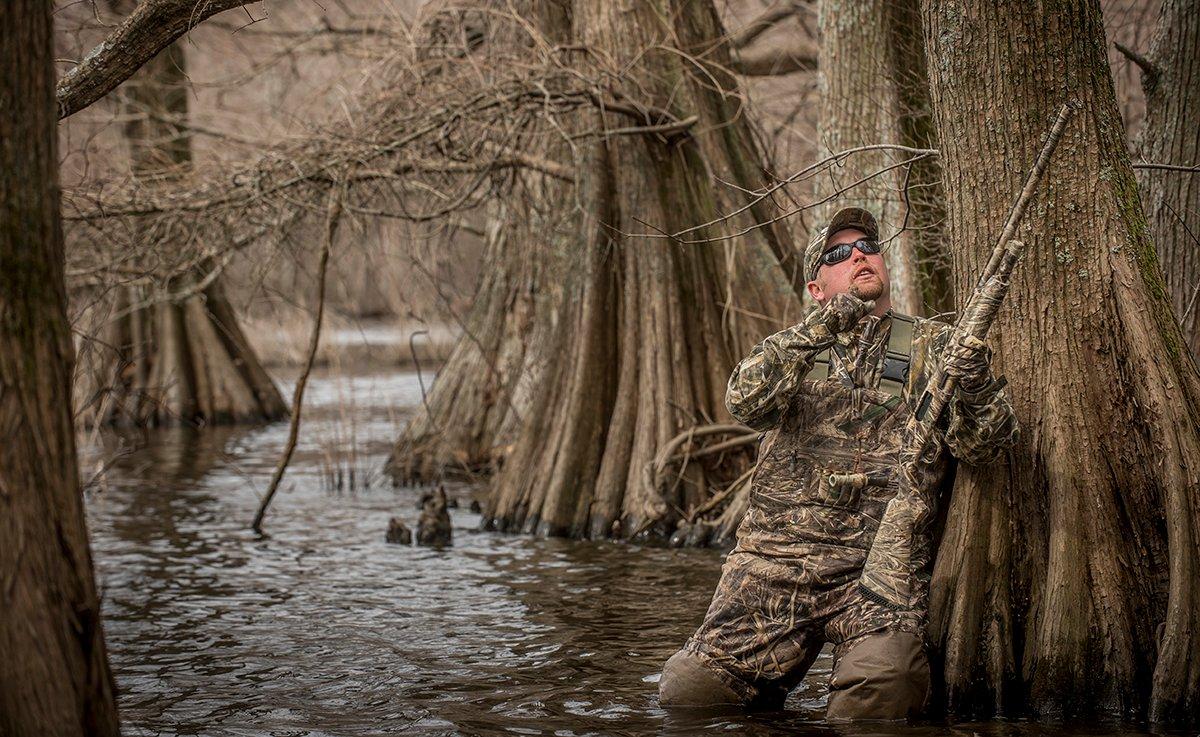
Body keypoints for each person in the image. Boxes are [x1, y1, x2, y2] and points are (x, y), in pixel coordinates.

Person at [657, 207, 1017, 719]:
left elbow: (987, 448)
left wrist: (976, 380)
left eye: (868, 246)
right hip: (774, 567)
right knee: (689, 695)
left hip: (877, 572)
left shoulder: (934, 345)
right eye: (839, 253)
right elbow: (744, 401)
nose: (860, 256)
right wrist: (819, 330)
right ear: (817, 287)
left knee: (886, 691)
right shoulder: (794, 350)